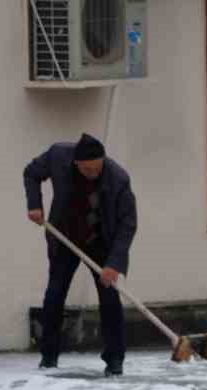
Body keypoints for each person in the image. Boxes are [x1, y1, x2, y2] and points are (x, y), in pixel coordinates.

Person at [23, 133, 138, 376]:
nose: (94, 174)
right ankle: (49, 357)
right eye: (88, 170)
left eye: (97, 168)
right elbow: (31, 173)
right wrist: (35, 204)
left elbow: (128, 223)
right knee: (54, 295)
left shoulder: (118, 179)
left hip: (101, 241)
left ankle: (114, 360)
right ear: (76, 163)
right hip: (65, 236)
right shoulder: (58, 156)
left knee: (109, 298)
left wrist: (114, 264)